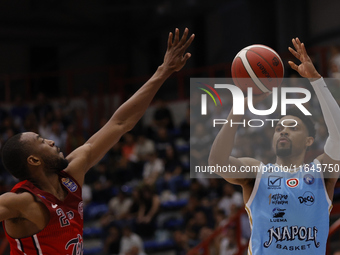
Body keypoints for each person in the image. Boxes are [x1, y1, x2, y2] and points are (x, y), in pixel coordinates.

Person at [0, 28, 194, 254]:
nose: (51, 142)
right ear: (33, 160)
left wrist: (163, 71)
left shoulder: (72, 174)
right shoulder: (21, 202)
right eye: (41, 141)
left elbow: (120, 123)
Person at [209, 38, 340, 254]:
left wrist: (316, 80)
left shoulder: (321, 172)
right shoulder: (257, 173)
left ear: (309, 140)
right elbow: (217, 163)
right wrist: (238, 108)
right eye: (279, 128)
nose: (283, 131)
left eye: (293, 127)